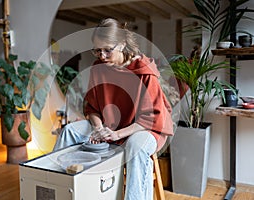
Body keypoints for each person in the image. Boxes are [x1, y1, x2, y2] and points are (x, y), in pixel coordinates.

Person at [53, 18, 174, 200]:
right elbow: (92, 107)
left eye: (108, 50)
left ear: (122, 44)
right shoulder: (98, 68)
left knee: (135, 145)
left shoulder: (144, 71)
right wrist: (98, 128)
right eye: (97, 50)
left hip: (146, 129)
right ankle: (58, 189)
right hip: (110, 126)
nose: (102, 56)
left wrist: (117, 134)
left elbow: (152, 118)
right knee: (69, 132)